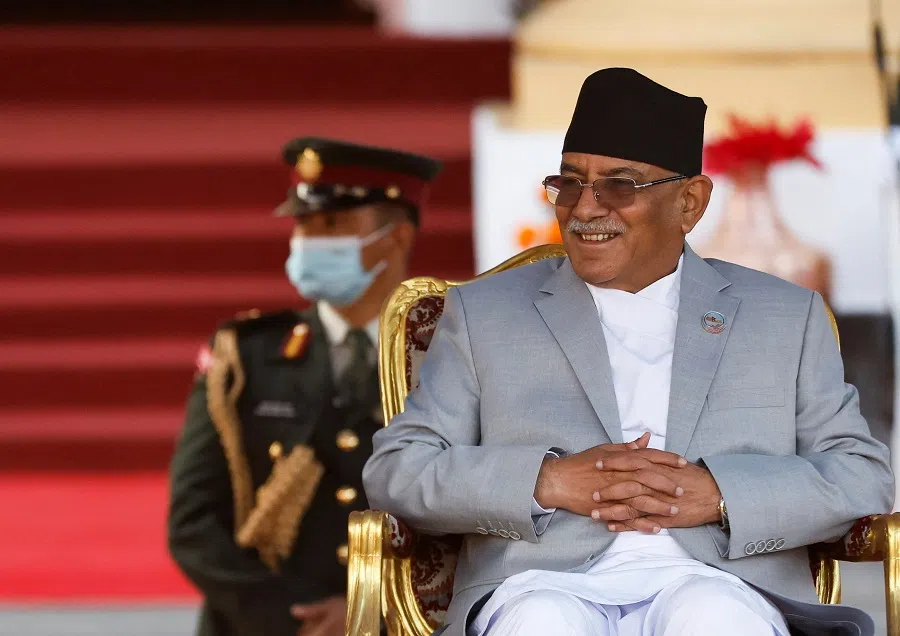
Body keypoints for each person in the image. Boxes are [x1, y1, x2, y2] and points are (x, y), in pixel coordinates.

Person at [362, 69, 894, 636]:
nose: (585, 208)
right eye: (570, 183)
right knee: (545, 623)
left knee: (712, 618)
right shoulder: (483, 313)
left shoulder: (782, 315)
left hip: (724, 581)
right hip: (538, 582)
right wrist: (546, 481)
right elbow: (399, 469)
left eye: (620, 185)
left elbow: (860, 474)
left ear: (689, 202)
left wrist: (721, 494)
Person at [168, 137, 441, 636]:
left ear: (397, 238)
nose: (310, 241)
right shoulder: (246, 356)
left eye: (332, 225)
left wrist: (370, 612)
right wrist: (292, 619)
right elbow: (193, 522)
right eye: (303, 224)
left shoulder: (449, 353)